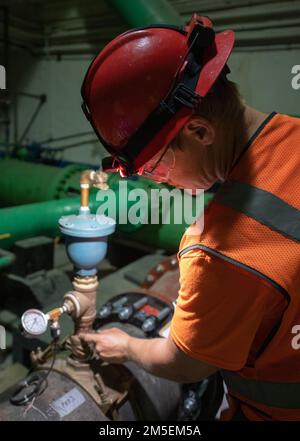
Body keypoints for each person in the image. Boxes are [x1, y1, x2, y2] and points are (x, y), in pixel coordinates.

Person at [79, 14, 300, 420]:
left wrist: (126, 346)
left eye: (155, 168)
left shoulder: (219, 251)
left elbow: (187, 363)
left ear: (199, 132)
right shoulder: (293, 133)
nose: (161, 184)